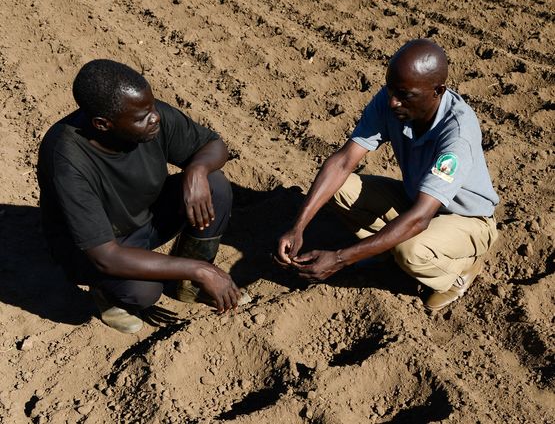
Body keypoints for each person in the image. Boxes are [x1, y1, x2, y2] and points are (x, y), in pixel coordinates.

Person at [276, 39, 499, 311]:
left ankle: (459, 272)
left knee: (411, 250)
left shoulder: (457, 135)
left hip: (465, 219)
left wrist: (340, 259)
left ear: (437, 91)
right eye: (391, 89)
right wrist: (298, 226)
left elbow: (419, 219)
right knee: (340, 187)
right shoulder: (392, 100)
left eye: (405, 94)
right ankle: (385, 253)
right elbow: (343, 161)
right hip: (417, 200)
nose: (393, 102)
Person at [38, 59, 242, 333]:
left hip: (144, 218)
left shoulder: (149, 116)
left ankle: (189, 288)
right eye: (142, 116)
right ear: (103, 124)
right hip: (99, 248)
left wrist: (197, 169)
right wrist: (200, 269)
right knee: (143, 292)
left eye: (152, 107)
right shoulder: (66, 158)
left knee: (214, 184)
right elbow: (106, 257)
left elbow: (214, 145)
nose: (154, 117)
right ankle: (108, 296)